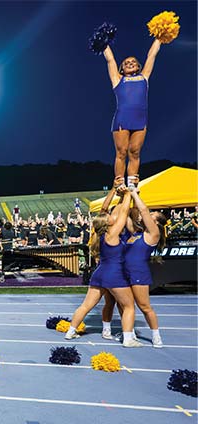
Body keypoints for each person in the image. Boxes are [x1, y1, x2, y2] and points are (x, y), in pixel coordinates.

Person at [66, 184, 141, 347]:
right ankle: (128, 338)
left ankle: (71, 331)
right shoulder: (112, 234)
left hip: (99, 273)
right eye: (109, 218)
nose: (111, 217)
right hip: (114, 274)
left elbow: (111, 211)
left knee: (86, 305)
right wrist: (128, 193)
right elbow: (122, 215)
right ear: (107, 224)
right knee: (129, 306)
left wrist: (117, 193)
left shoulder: (99, 235)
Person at [101, 187, 166, 347]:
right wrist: (123, 195)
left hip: (138, 273)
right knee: (125, 305)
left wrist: (133, 192)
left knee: (144, 306)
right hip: (124, 272)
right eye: (150, 214)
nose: (149, 215)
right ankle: (128, 334)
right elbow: (126, 214)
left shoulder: (153, 234)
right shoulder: (136, 232)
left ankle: (156, 336)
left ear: (156, 222)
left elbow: (143, 210)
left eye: (153, 216)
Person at [103, 39, 163, 186]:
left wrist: (159, 38)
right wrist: (104, 43)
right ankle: (119, 184)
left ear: (138, 67)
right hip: (122, 120)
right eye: (126, 62)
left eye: (133, 62)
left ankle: (132, 184)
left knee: (135, 152)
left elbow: (152, 55)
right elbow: (110, 60)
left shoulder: (144, 77)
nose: (130, 63)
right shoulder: (118, 79)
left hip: (140, 120)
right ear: (121, 69)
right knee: (122, 152)